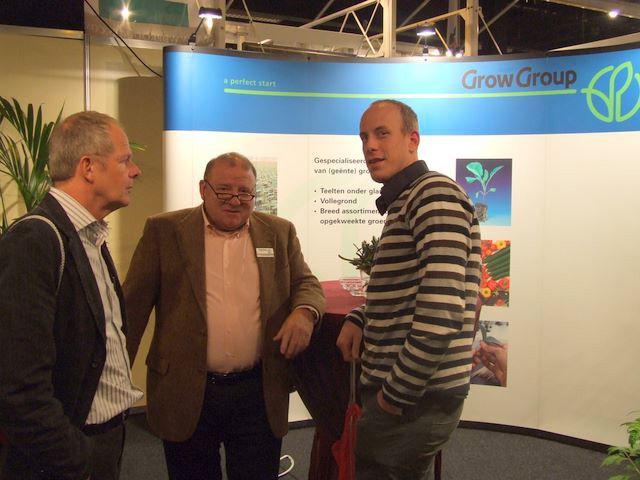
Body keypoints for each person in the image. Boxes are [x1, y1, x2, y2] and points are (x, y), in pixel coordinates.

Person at [123, 152, 325, 480]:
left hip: (257, 391)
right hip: (186, 389)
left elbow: (307, 283)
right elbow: (132, 308)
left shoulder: (278, 232)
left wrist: (305, 312)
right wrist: (116, 379)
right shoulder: (165, 231)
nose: (234, 199)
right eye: (224, 190)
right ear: (203, 189)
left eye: (244, 192)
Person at [336, 99, 482, 479]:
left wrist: (394, 395)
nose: (370, 146)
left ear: (412, 140)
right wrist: (361, 317)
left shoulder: (433, 194)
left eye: (382, 134)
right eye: (364, 137)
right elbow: (410, 292)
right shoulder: (409, 198)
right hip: (411, 397)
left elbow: (442, 312)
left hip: (414, 400)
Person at [0, 111, 142, 479]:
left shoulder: (89, 237)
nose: (135, 171)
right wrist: (77, 459)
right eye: (125, 160)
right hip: (67, 455)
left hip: (103, 440)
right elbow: (19, 386)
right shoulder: (35, 240)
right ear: (88, 167)